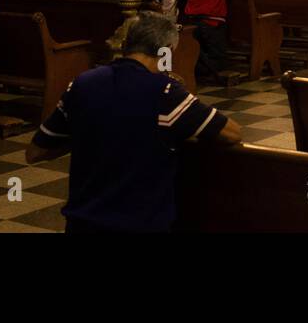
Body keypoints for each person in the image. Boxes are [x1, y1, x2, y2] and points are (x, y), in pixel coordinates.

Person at [26, 12, 242, 232]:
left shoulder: (83, 84)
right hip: (139, 223)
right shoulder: (165, 93)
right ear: (166, 50)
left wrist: (89, 133)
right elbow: (232, 133)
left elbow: (35, 152)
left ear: (127, 44)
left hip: (82, 222)